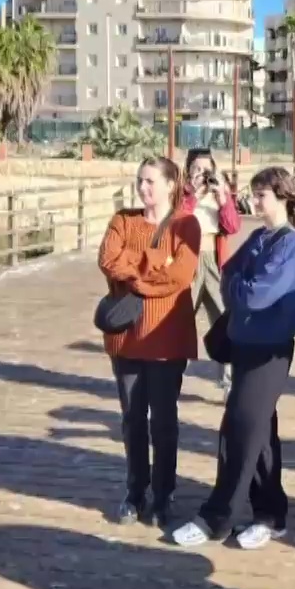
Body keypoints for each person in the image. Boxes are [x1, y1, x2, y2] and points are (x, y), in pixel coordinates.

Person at [172, 166, 295, 551]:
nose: (253, 202)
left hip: (270, 350)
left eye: (261, 195)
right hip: (245, 345)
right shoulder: (259, 236)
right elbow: (229, 271)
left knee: (238, 430)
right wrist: (240, 285)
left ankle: (217, 518)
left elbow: (255, 293)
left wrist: (239, 286)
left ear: (282, 196)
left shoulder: (292, 244)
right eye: (252, 195)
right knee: (260, 434)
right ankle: (271, 514)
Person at [96, 156, 202, 526]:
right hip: (126, 336)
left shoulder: (186, 224)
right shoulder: (122, 220)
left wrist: (136, 275)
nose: (143, 188)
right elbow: (108, 260)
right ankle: (134, 491)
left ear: (171, 185)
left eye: (150, 181)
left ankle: (164, 493)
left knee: (164, 420)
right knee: (132, 419)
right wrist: (156, 261)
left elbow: (182, 276)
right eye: (139, 180)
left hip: (166, 336)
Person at [181, 148, 243, 391]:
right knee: (181, 318)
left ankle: (227, 381)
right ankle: (171, 377)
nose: (202, 174)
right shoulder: (182, 194)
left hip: (215, 260)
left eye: (207, 169)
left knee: (224, 319)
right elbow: (177, 221)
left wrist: (223, 199)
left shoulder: (221, 192)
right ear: (188, 171)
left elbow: (233, 226)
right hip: (188, 259)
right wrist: (194, 195)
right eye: (197, 169)